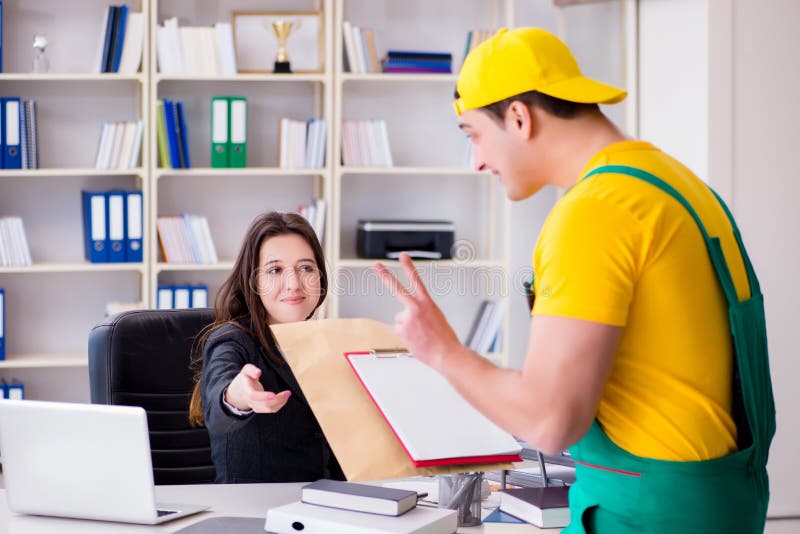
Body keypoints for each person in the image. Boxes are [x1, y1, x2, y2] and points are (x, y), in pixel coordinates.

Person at [374, 28, 774, 533]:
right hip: (723, 503)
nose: (475, 160)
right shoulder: (681, 186)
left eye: (472, 134)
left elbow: (549, 422)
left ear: (519, 118)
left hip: (646, 516)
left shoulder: (594, 212)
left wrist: (442, 352)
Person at [188, 211, 345, 484]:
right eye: (275, 270)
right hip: (256, 513)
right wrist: (239, 396)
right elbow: (218, 406)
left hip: (326, 504)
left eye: (306, 268)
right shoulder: (232, 340)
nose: (294, 283)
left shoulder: (328, 343)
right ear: (254, 281)